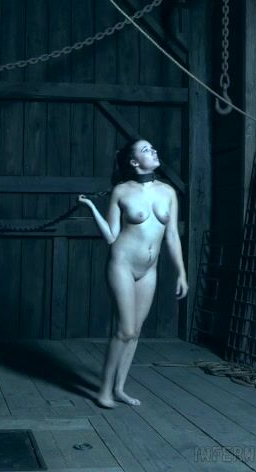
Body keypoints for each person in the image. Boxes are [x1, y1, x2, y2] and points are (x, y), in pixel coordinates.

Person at [78, 138, 188, 407]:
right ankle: (104, 391)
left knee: (136, 331)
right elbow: (111, 236)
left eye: (153, 147)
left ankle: (119, 389)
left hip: (149, 270)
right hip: (122, 265)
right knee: (124, 329)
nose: (154, 151)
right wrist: (91, 208)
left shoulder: (168, 192)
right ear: (134, 161)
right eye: (146, 149)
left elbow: (172, 235)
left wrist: (181, 273)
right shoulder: (121, 191)